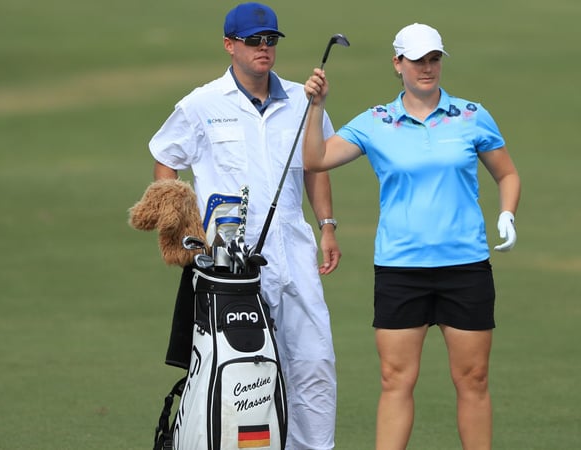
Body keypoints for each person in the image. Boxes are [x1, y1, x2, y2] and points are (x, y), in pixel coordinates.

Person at [303, 23, 520, 450]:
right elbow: (316, 158)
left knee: (473, 379)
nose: (427, 68)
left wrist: (507, 213)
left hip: (465, 265)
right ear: (397, 63)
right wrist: (316, 108)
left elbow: (507, 173)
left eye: (434, 59)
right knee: (395, 379)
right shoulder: (377, 121)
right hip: (401, 268)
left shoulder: (471, 116)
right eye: (418, 60)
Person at [148, 3, 341, 449]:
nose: (263, 48)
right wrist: (181, 223)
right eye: (253, 40)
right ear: (229, 45)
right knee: (241, 372)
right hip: (228, 265)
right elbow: (166, 158)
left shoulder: (300, 100)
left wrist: (327, 225)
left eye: (270, 40)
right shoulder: (201, 103)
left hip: (293, 250)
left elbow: (316, 165)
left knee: (313, 364)